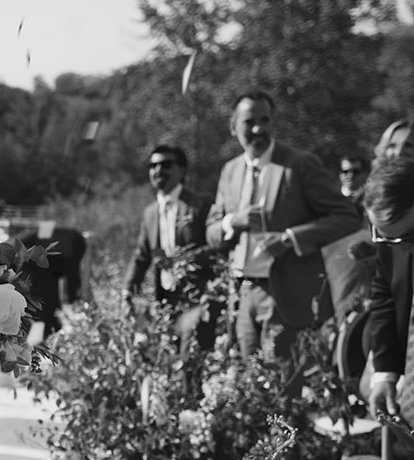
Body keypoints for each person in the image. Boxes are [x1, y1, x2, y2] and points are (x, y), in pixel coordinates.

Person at [205, 91, 360, 363]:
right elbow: (211, 232)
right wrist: (233, 222)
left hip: (285, 293)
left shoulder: (299, 165)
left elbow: (347, 216)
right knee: (248, 386)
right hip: (242, 294)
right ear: (233, 126)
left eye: (265, 120)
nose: (258, 129)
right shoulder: (229, 171)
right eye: (249, 122)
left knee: (282, 390)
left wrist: (290, 239)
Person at [125, 145, 217, 354]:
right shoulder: (149, 213)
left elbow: (215, 248)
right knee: (169, 357)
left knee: (192, 358)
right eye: (153, 165)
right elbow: (141, 256)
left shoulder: (200, 204)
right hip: (166, 300)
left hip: (198, 296)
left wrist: (183, 262)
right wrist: (127, 291)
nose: (158, 170)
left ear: (182, 170)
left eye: (165, 164)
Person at [364, 155, 414, 424]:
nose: (389, 244)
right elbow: (383, 300)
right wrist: (385, 374)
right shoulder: (389, 241)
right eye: (380, 234)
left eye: (403, 237)